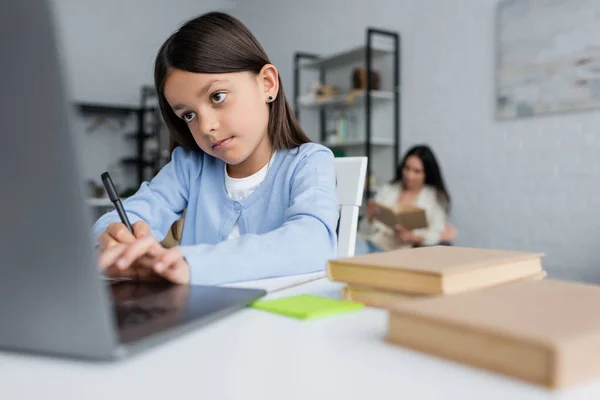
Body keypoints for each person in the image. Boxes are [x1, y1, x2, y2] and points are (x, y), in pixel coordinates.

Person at [93, 12, 339, 285]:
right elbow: (127, 216)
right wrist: (114, 237)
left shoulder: (308, 162)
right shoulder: (190, 167)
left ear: (267, 84)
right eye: (188, 115)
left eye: (217, 97)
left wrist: (192, 263)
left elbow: (313, 244)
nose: (206, 125)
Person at [355, 145, 456, 254]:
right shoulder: (388, 189)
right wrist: (370, 216)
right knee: (349, 246)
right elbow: (365, 228)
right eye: (407, 168)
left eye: (416, 171)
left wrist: (414, 237)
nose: (409, 175)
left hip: (399, 251)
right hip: (373, 242)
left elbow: (438, 232)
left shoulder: (434, 197)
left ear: (426, 174)